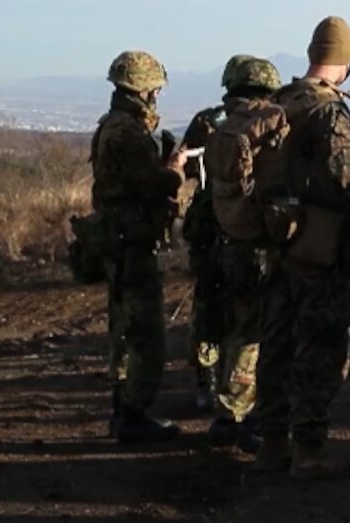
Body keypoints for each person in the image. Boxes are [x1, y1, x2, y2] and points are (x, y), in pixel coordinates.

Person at [253, 16, 350, 478]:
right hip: (323, 246)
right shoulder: (330, 111)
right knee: (321, 344)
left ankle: (270, 442)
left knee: (277, 340)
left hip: (280, 239)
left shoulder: (279, 101)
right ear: (345, 63)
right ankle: (306, 450)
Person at [90, 50, 188, 444]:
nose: (156, 98)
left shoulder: (110, 125)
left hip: (119, 239)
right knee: (146, 332)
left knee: (124, 327)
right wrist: (176, 169)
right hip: (130, 241)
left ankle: (122, 411)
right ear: (142, 89)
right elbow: (154, 185)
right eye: (154, 91)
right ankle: (134, 415)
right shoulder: (128, 132)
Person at [194, 56, 284, 452]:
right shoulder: (273, 123)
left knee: (223, 321)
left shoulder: (215, 125)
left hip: (220, 240)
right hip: (256, 245)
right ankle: (236, 415)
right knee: (252, 331)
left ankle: (219, 402)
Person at [180, 57, 245, 414]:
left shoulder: (208, 120)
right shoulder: (268, 119)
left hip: (211, 226)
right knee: (242, 312)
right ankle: (228, 389)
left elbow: (189, 168)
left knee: (208, 308)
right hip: (237, 228)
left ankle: (208, 385)